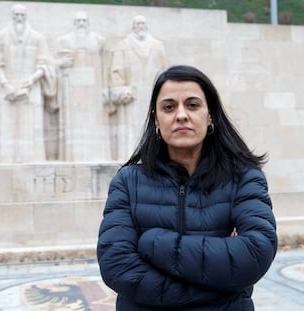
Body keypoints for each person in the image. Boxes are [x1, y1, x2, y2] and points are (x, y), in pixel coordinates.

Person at [97, 65, 278, 310]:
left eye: (192, 105)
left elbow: (255, 253)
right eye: (169, 107)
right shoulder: (128, 183)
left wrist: (152, 242)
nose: (181, 115)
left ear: (210, 115)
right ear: (156, 119)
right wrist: (223, 287)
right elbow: (117, 266)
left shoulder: (244, 178)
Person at [0, 4, 56, 162]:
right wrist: (5, 83)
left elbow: (45, 64)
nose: (19, 18)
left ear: (26, 16)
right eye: (16, 14)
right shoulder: (0, 36)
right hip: (5, 88)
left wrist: (31, 80)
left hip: (31, 88)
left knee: (32, 129)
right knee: (5, 128)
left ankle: (32, 159)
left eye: (22, 14)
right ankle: (5, 160)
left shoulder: (37, 37)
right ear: (12, 16)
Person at [109, 15, 169, 161]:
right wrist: (121, 90)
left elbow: (165, 70)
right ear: (133, 26)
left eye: (143, 23)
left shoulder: (157, 45)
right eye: (137, 23)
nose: (140, 26)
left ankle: (155, 157)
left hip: (154, 95)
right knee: (130, 131)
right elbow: (116, 71)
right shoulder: (123, 45)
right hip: (132, 96)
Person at [55, 11, 111, 161]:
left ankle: (97, 155)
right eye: (78, 21)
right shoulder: (65, 40)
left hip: (95, 89)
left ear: (88, 23)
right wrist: (62, 65)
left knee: (95, 122)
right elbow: (57, 64)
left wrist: (106, 89)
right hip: (72, 90)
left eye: (84, 21)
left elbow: (105, 66)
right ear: (74, 24)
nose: (81, 23)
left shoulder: (98, 41)